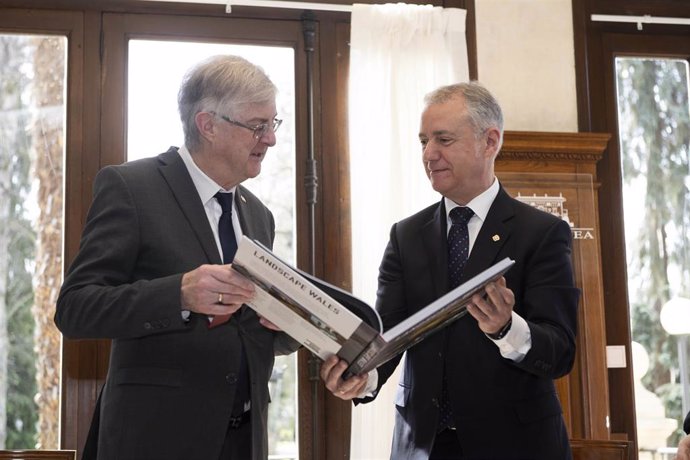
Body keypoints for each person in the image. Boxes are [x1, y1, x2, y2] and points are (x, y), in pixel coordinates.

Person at [55, 55, 299, 460]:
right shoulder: (131, 188)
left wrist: (291, 322)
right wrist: (179, 294)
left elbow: (251, 335)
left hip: (244, 441)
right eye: (258, 126)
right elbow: (75, 308)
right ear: (208, 125)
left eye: (272, 125)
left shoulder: (259, 215)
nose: (270, 140)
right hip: (153, 440)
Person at [320, 82, 580, 459]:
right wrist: (362, 377)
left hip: (515, 446)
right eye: (423, 141)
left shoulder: (541, 233)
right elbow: (388, 335)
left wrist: (506, 327)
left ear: (490, 142)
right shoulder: (405, 235)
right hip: (422, 447)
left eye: (443, 139)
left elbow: (561, 352)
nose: (429, 154)